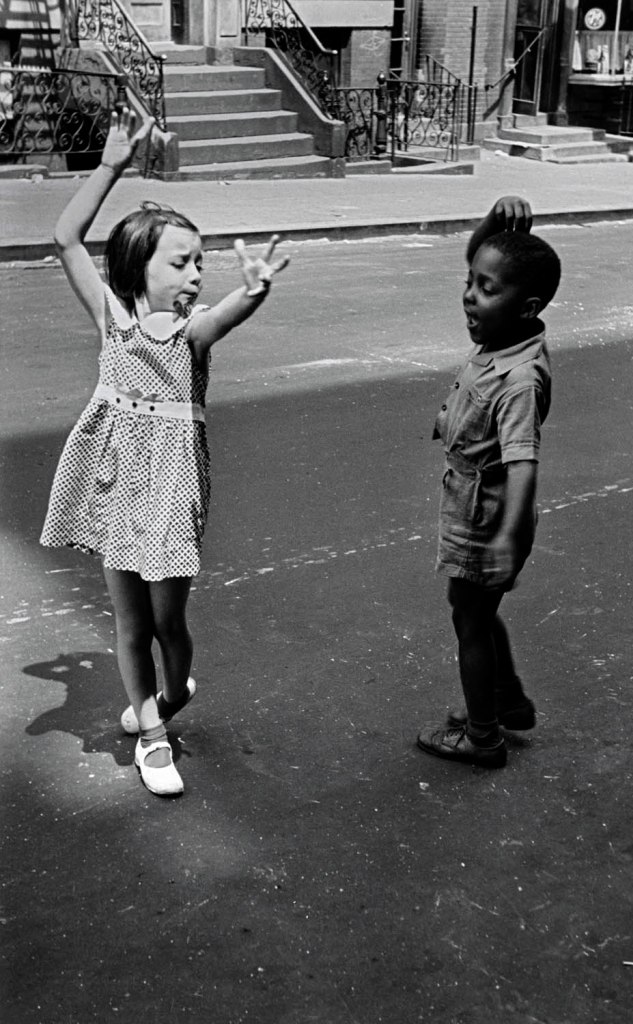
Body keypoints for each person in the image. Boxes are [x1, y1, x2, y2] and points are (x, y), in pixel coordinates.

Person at [40, 109, 289, 796]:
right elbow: (65, 238)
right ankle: (154, 736)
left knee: (167, 622)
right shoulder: (112, 321)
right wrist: (111, 164)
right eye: (180, 262)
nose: (194, 274)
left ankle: (171, 693)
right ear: (135, 269)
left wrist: (253, 288)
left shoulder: (189, 338)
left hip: (171, 488)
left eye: (200, 262)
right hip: (118, 483)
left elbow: (221, 316)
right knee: (126, 621)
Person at [417, 196, 561, 769]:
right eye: (471, 282)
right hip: (473, 503)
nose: (470, 296)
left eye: (487, 289)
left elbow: (525, 461)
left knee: (470, 619)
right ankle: (505, 699)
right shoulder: (505, 335)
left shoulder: (519, 378)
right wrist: (492, 225)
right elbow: (480, 255)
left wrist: (505, 535)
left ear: (525, 307)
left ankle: (482, 736)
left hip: (487, 513)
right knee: (470, 606)